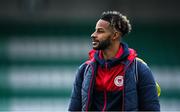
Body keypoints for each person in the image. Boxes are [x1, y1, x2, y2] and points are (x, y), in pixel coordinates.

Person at [68, 11, 160, 111]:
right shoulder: (84, 70)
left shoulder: (139, 69)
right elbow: (74, 109)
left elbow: (151, 109)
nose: (93, 35)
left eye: (100, 31)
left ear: (115, 35)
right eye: (95, 30)